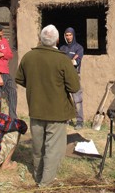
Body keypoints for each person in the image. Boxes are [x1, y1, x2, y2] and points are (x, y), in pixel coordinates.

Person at [15, 24, 80, 187]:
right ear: (58, 40)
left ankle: (38, 175)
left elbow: (20, 80)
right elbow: (74, 87)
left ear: (41, 39)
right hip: (57, 113)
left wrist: (37, 87)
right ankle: (45, 183)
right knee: (53, 149)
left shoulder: (28, 57)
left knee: (38, 147)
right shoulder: (63, 59)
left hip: (36, 110)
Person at [59, 27, 84, 130]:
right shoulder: (62, 48)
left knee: (77, 99)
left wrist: (69, 61)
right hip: (63, 76)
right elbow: (59, 62)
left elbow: (76, 62)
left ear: (73, 35)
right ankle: (67, 119)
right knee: (65, 98)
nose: (68, 37)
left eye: (70, 35)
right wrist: (70, 60)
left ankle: (80, 121)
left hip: (74, 75)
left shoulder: (79, 48)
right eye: (67, 35)